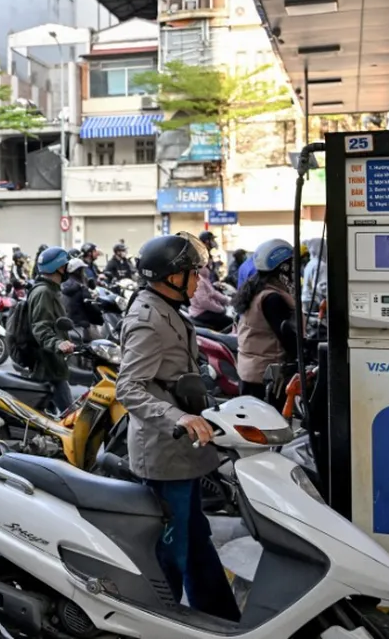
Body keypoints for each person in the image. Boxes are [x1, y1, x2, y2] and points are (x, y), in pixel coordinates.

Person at [115, 232, 241, 621]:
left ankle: (220, 617)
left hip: (183, 451)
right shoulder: (149, 319)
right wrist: (180, 417)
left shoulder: (168, 309)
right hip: (164, 453)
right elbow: (129, 387)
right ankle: (157, 623)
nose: (199, 281)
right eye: (192, 274)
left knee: (197, 543)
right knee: (170, 554)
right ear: (172, 277)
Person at [232, 239, 297, 402]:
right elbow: (286, 336)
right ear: (283, 266)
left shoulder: (256, 289)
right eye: (291, 263)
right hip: (266, 375)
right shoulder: (272, 298)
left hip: (250, 372)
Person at [25, 247, 76, 414]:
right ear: (59, 268)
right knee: (70, 416)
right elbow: (40, 326)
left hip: (51, 362)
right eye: (66, 265)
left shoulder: (51, 290)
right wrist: (58, 344)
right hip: (49, 365)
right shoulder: (44, 292)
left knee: (48, 418)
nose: (68, 269)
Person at [61, 257, 105, 338]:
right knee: (99, 340)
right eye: (82, 270)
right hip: (83, 325)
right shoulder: (81, 287)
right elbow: (91, 306)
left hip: (69, 324)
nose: (84, 273)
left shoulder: (64, 284)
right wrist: (100, 316)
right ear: (77, 271)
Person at [188, 262, 234, 331]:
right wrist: (220, 309)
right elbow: (204, 302)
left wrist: (227, 300)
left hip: (205, 309)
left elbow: (213, 293)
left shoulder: (204, 278)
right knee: (229, 321)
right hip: (200, 312)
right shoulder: (198, 280)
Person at [301, 238, 328, 314]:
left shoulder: (310, 264)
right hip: (315, 302)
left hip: (306, 301)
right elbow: (322, 286)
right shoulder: (321, 265)